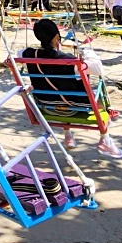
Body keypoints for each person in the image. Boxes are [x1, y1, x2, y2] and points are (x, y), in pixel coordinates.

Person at [21, 19, 84, 148]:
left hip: (46, 104)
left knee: (59, 89)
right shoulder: (69, 60)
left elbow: (15, 55)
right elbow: (96, 68)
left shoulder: (29, 54)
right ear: (56, 36)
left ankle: (68, 134)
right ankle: (105, 135)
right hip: (73, 107)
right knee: (91, 89)